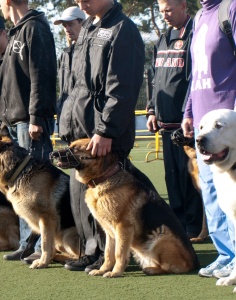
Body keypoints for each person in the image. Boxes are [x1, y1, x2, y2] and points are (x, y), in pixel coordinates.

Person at [58, 0, 156, 273]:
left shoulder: (122, 29)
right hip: (83, 128)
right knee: (84, 200)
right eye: (77, 0)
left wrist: (105, 130)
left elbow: (121, 87)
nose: (82, 4)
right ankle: (93, 252)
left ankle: (110, 257)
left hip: (104, 134)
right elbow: (78, 85)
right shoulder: (90, 26)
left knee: (114, 204)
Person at [0, 0, 57, 261]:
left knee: (36, 190)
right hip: (15, 120)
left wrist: (35, 116)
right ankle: (26, 243)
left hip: (29, 122)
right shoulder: (18, 31)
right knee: (20, 189)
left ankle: (43, 246)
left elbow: (41, 75)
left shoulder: (34, 29)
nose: (0, 8)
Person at [182, 0, 236, 278]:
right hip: (204, 126)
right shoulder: (200, 15)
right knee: (213, 197)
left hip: (227, 129)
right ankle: (225, 254)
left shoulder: (231, 8)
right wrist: (189, 111)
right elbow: (196, 73)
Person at [146, 0, 203, 240]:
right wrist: (151, 110)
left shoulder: (194, 33)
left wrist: (189, 114)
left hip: (186, 125)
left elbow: (193, 78)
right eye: (161, 11)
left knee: (190, 178)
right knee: (172, 177)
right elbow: (154, 76)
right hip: (165, 125)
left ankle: (196, 226)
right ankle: (179, 224)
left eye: (169, 9)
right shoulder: (163, 38)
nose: (164, 15)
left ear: (183, 5)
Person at [53, 6, 86, 128]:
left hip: (86, 123)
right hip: (68, 122)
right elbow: (63, 91)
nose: (67, 29)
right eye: (64, 25)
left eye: (71, 24)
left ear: (83, 23)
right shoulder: (64, 56)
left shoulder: (92, 52)